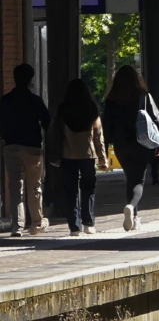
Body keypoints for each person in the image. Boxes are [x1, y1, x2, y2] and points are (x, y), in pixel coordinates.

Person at [102, 66, 159, 232]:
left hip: (121, 144)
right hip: (141, 143)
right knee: (138, 181)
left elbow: (106, 127)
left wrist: (105, 150)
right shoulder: (143, 96)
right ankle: (131, 207)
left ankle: (134, 218)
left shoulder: (111, 100)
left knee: (130, 177)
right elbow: (156, 120)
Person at [46, 79, 107, 236]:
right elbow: (98, 138)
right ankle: (88, 223)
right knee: (88, 189)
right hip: (88, 155)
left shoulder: (63, 110)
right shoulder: (92, 110)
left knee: (70, 191)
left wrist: (55, 155)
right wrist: (102, 159)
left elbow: (56, 135)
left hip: (68, 155)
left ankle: (74, 227)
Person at [0, 64, 51, 237]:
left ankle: (17, 226)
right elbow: (47, 122)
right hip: (32, 148)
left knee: (15, 187)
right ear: (31, 79)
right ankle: (36, 222)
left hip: (11, 146)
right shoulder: (35, 101)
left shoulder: (5, 101)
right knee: (34, 186)